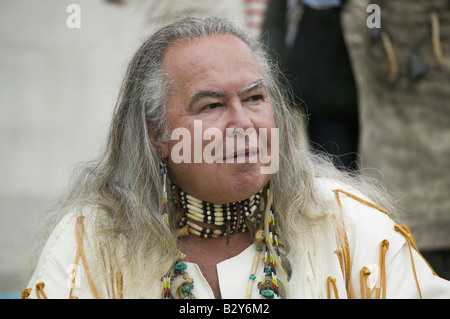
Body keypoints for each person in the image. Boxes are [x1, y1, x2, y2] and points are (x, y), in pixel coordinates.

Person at [21, 16, 449, 299]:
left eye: (255, 98)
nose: (243, 123)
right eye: (211, 106)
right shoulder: (91, 244)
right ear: (157, 133)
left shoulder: (348, 225)